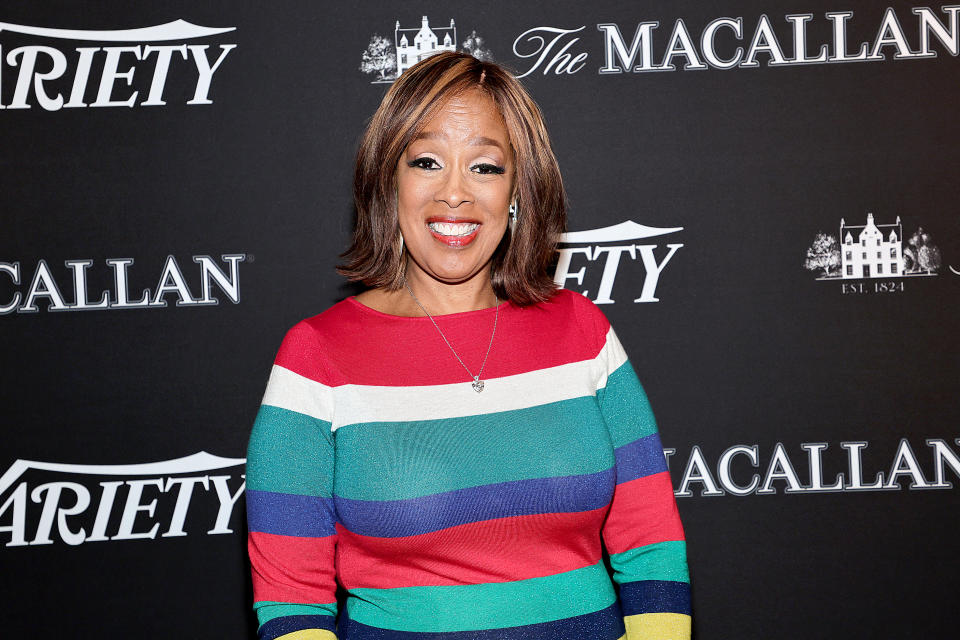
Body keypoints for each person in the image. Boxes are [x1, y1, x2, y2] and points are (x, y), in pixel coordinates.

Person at [245, 51, 691, 640]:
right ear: (388, 181)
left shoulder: (582, 332)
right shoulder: (316, 358)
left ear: (516, 189)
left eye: (485, 167)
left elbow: (652, 545)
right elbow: (292, 599)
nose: (455, 194)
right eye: (427, 161)